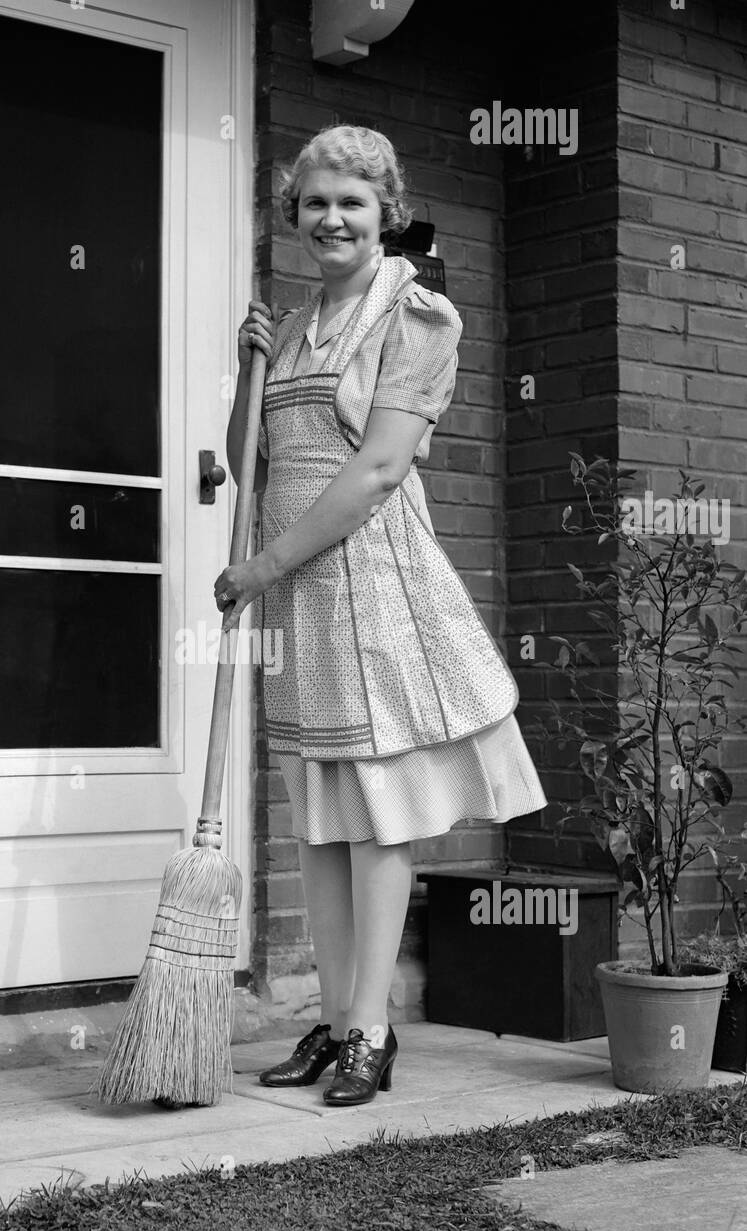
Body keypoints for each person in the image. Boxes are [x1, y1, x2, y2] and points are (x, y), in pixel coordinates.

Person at [215, 125, 548, 1107]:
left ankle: (373, 1029)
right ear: (295, 214)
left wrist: (261, 565)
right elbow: (248, 469)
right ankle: (331, 1018)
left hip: (369, 588)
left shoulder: (416, 316)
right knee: (318, 821)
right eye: (315, 202)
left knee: (375, 817)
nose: (331, 219)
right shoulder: (294, 323)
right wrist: (248, 371)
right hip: (301, 596)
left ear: (384, 211)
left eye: (351, 203)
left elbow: (377, 472)